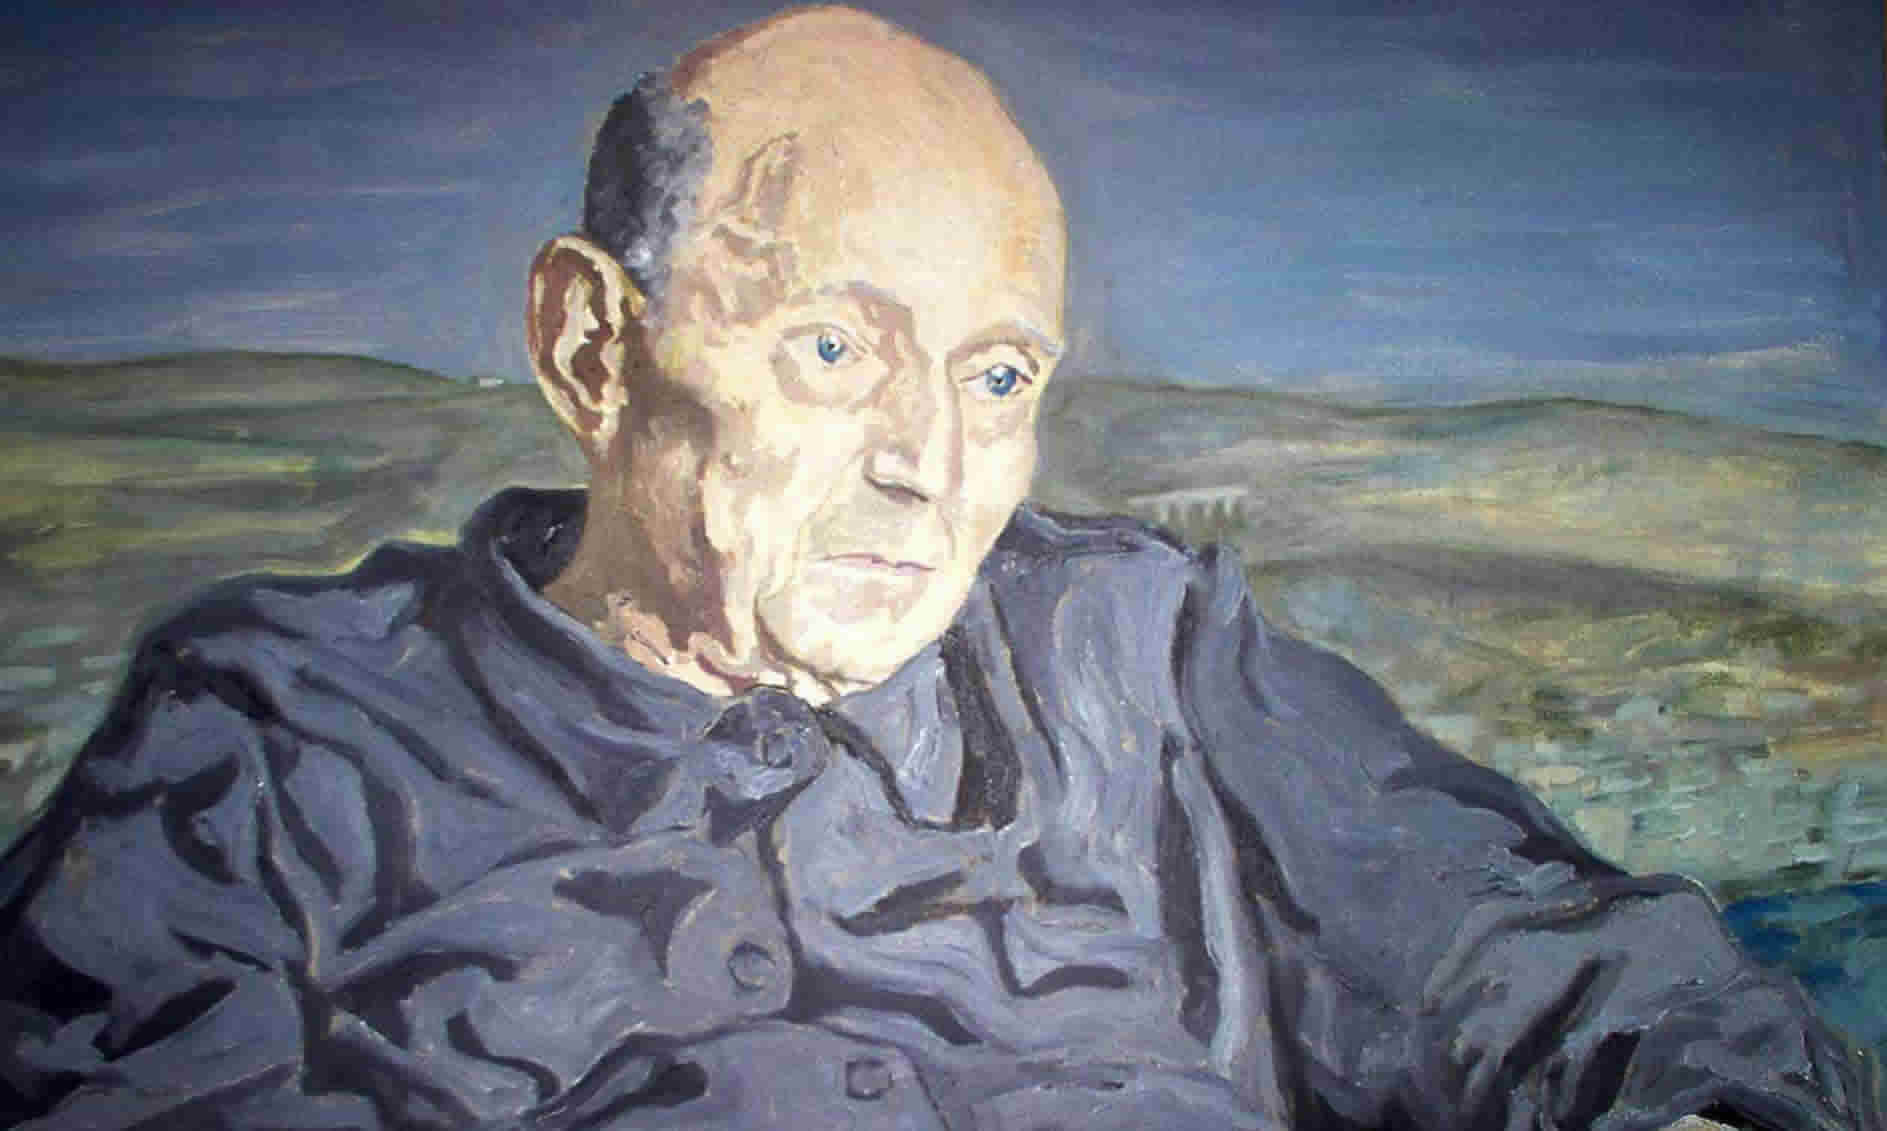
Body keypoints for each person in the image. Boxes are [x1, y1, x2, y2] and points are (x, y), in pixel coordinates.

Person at [0, 7, 1876, 1129]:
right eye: (836, 348)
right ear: (591, 350)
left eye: (997, 377)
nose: (931, 462)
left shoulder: (1132, 649)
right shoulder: (271, 744)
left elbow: (1530, 955)